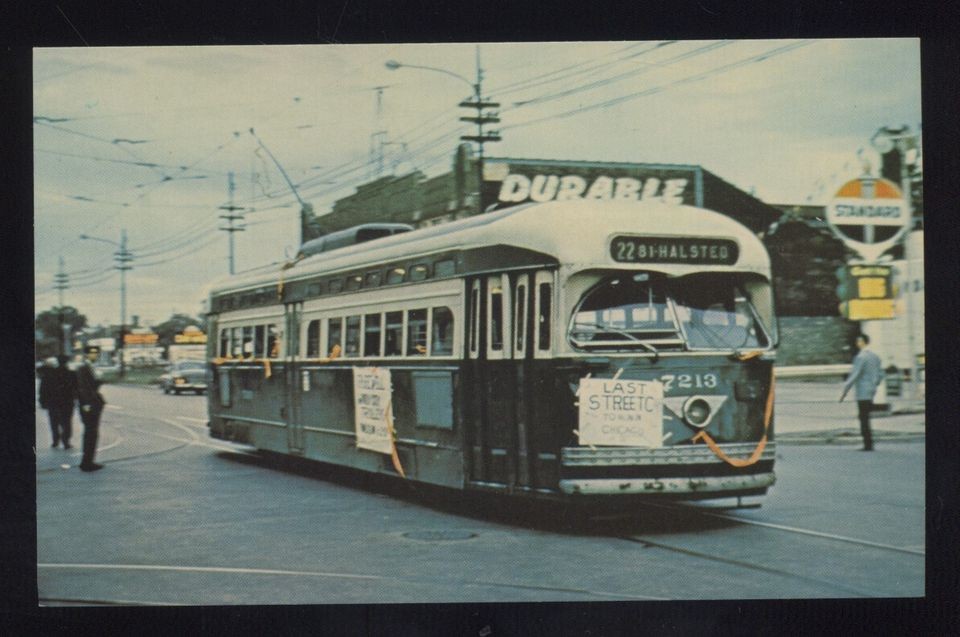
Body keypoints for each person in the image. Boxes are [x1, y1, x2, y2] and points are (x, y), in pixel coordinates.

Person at [840, 333, 884, 451]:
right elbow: (881, 374)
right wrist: (874, 384)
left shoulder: (860, 357)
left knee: (863, 417)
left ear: (863, 342)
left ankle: (867, 444)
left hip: (862, 391)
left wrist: (845, 390)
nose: (857, 343)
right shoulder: (875, 356)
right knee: (866, 416)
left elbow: (854, 375)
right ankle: (869, 443)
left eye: (859, 341)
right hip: (871, 390)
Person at [38, 354, 77, 449]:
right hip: (67, 402)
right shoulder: (71, 374)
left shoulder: (49, 374)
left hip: (53, 402)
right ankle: (66, 441)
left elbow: (43, 389)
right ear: (66, 362)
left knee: (54, 422)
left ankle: (55, 440)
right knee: (67, 422)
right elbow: (76, 388)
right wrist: (75, 399)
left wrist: (42, 401)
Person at [76, 353, 107, 472]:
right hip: (90, 405)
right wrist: (87, 404)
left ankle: (88, 461)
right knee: (91, 433)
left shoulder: (85, 369)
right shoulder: (83, 369)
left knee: (91, 433)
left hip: (91, 403)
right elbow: (84, 388)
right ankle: (87, 462)